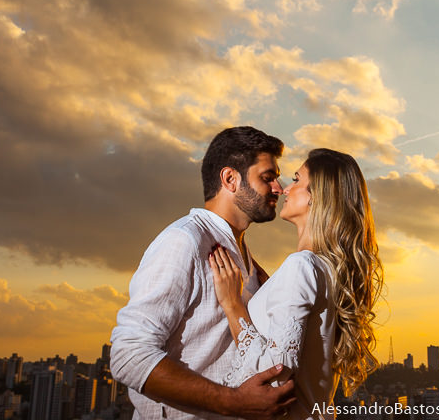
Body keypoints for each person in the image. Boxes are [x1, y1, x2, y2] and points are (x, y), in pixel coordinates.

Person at [110, 126, 297, 420]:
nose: (279, 188)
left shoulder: (242, 253)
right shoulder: (184, 241)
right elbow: (128, 356)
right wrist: (235, 402)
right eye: (267, 177)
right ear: (230, 179)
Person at [207, 148, 383, 420]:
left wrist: (233, 306)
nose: (285, 189)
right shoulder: (325, 270)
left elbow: (275, 374)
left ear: (317, 198)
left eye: (297, 179)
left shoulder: (302, 267)